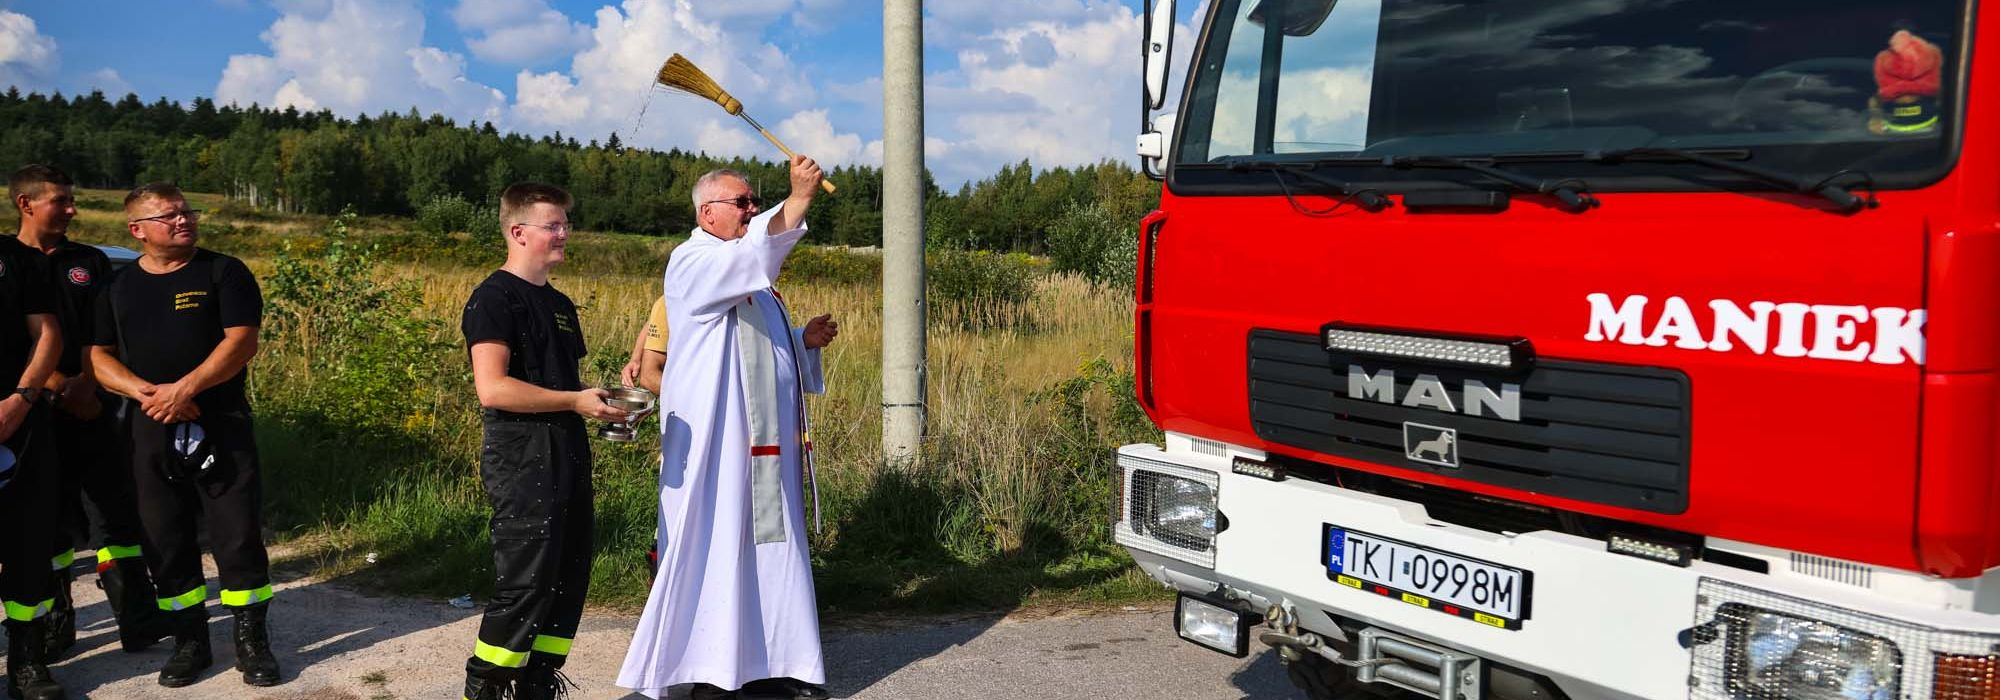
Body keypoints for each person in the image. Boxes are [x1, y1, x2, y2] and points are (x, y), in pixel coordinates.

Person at [618, 156, 841, 700]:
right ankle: (710, 676)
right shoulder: (693, 261)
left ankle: (773, 664)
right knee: (716, 548)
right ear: (707, 211)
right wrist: (800, 200)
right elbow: (754, 259)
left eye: (753, 201)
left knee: (770, 548)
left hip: (761, 446)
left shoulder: (747, 275)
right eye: (742, 202)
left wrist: (799, 339)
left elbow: (754, 340)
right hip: (717, 443)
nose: (751, 209)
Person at [90, 183, 281, 688]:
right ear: (138, 230)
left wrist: (187, 389)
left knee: (237, 534)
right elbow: (99, 356)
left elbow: (241, 342)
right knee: (164, 538)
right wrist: (148, 394)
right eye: (169, 216)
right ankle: (190, 642)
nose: (184, 221)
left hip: (221, 422)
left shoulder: (224, 272)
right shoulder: (117, 287)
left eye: (187, 212)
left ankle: (252, 642)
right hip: (149, 426)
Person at [458, 182, 629, 700]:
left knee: (568, 574)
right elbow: (494, 387)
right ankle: (486, 688)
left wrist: (599, 402)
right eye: (553, 225)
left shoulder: (558, 303)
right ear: (518, 231)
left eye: (565, 224)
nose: (564, 233)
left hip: (566, 447)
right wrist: (573, 402)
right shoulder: (494, 298)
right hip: (520, 452)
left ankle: (536, 685)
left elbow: (561, 384)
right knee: (526, 582)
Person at [9, 164, 172, 659]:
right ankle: (57, 627)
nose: (72, 209)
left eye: (71, 199)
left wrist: (85, 385)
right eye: (61, 200)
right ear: (26, 204)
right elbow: (12, 340)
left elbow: (104, 330)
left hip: (91, 405)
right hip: (31, 411)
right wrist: (54, 386)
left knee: (115, 515)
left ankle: (139, 620)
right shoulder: (4, 260)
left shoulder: (91, 262)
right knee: (48, 524)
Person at [0, 171, 67, 700]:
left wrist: (20, 400)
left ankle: (27, 661)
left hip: (17, 422)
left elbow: (47, 334)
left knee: (27, 546)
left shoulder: (17, 260)